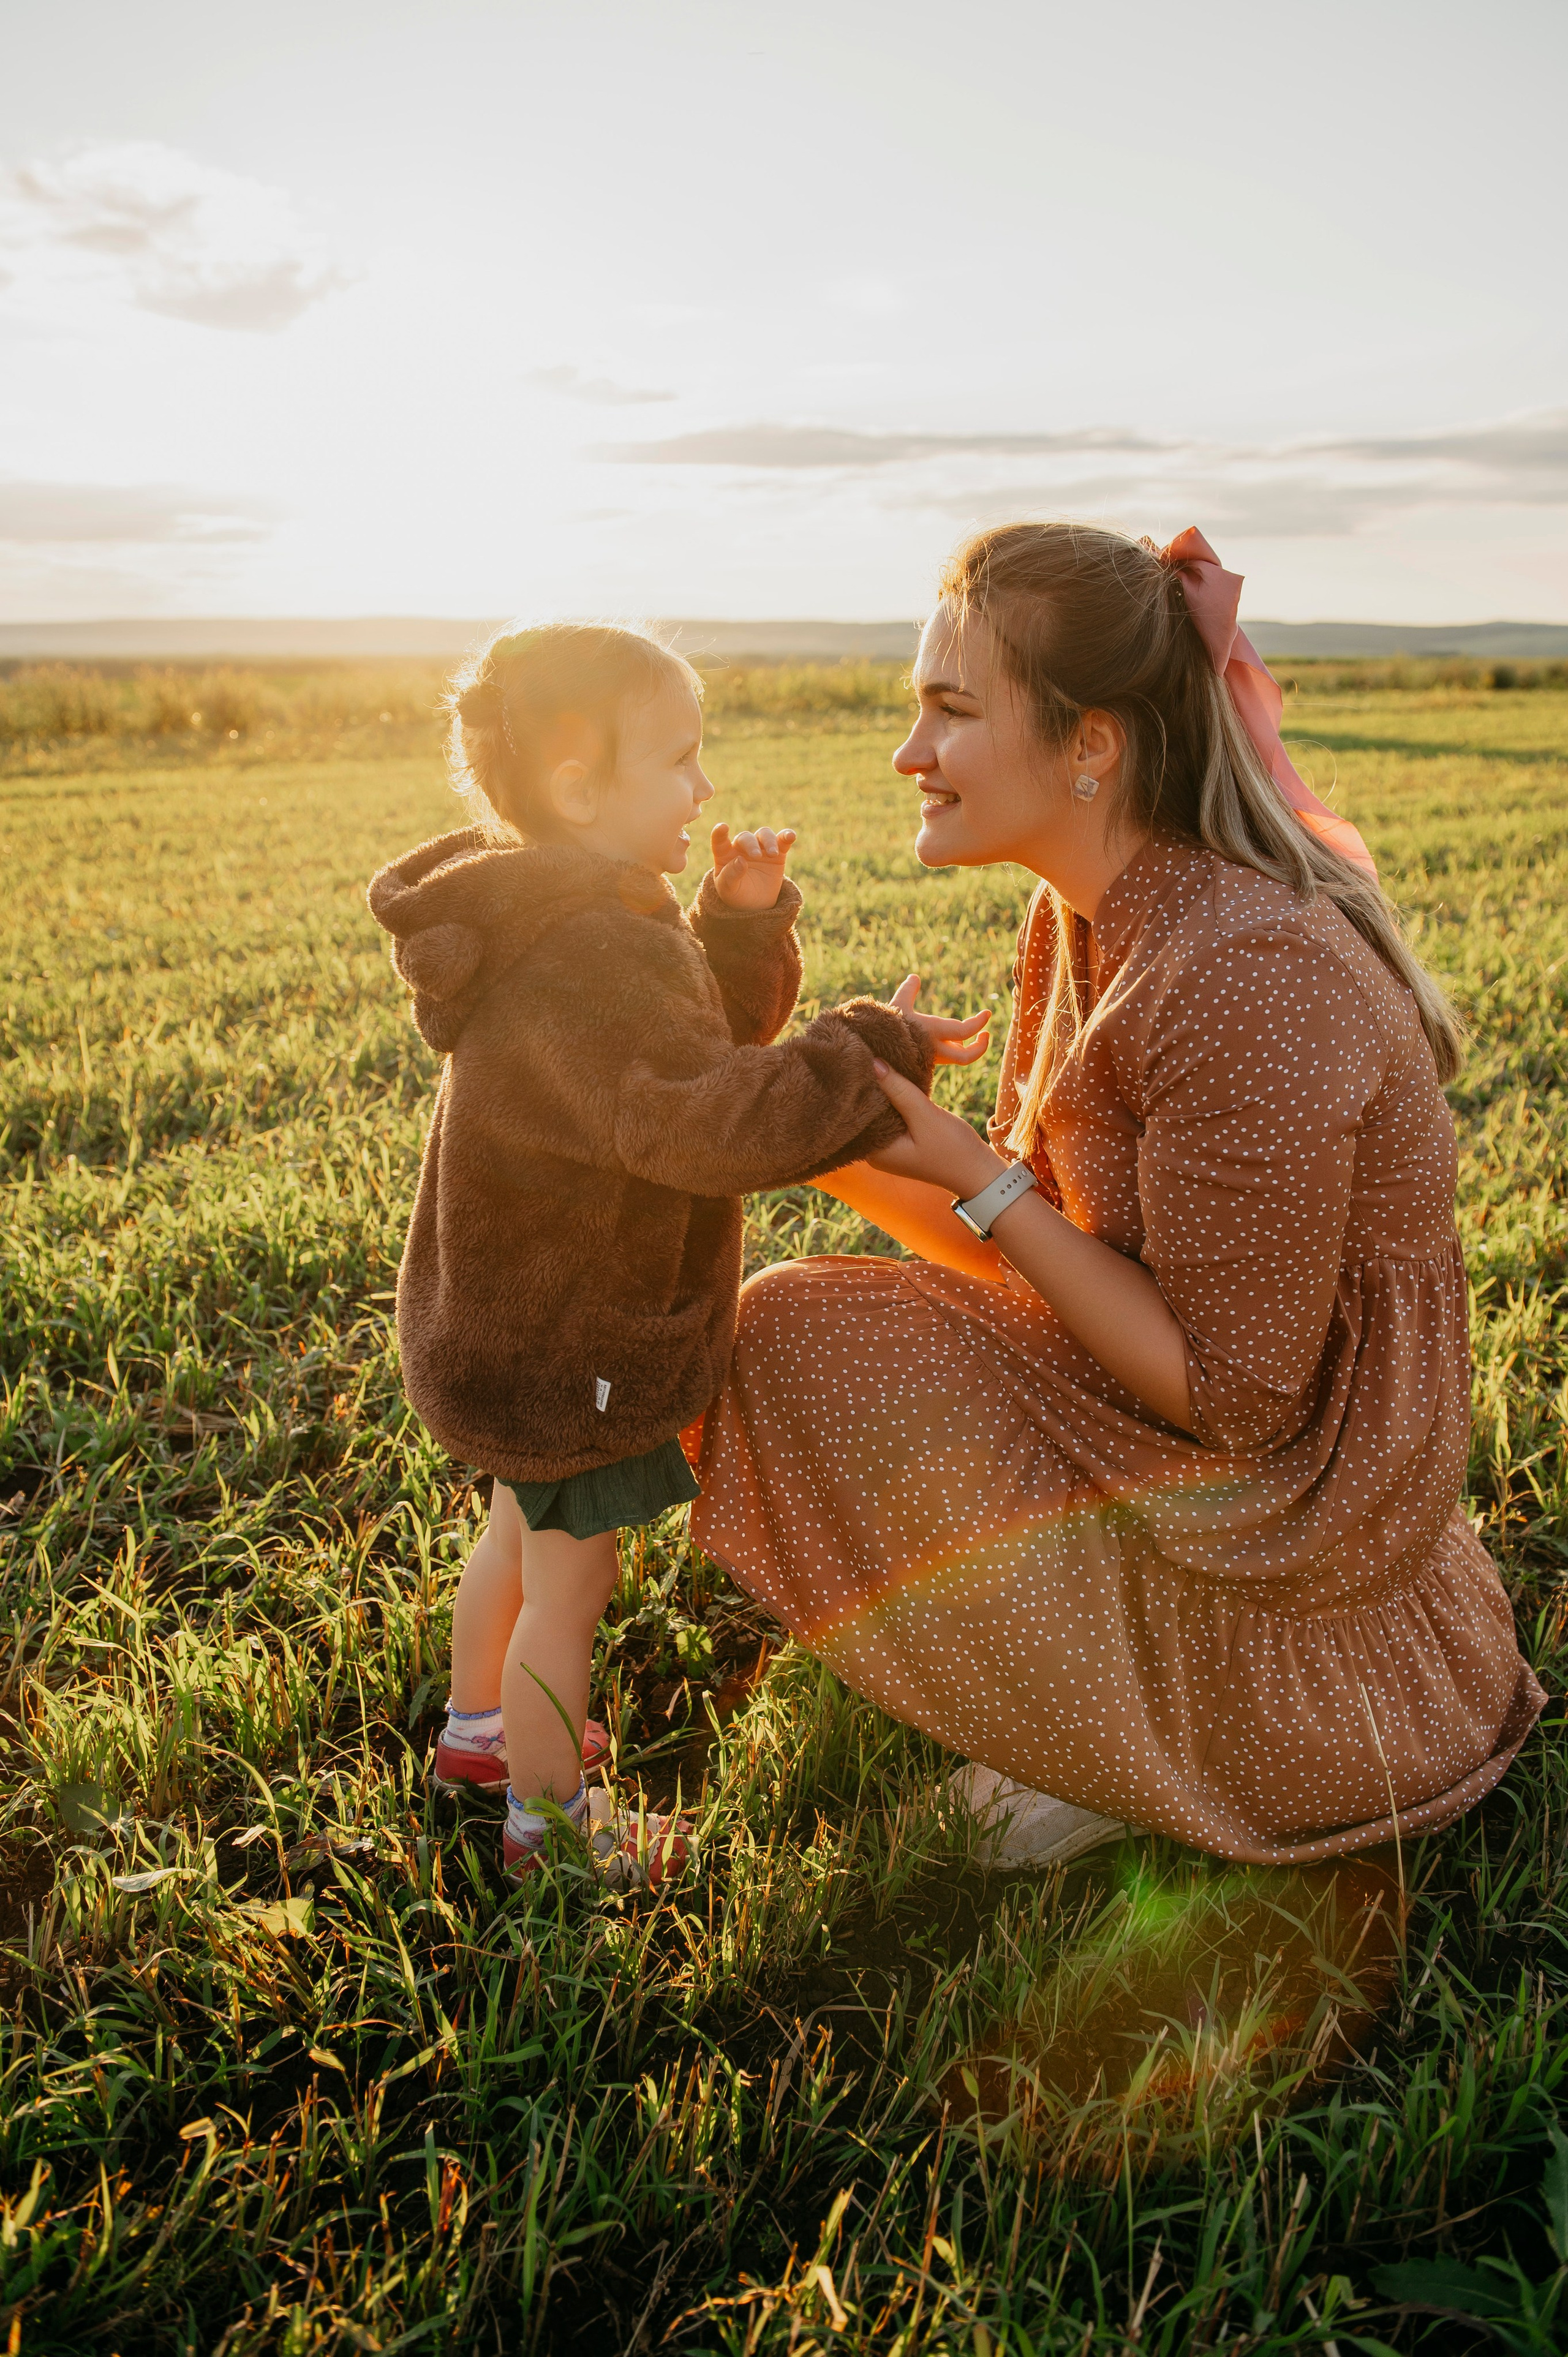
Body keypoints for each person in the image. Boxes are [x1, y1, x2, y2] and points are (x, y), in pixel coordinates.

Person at [689, 524, 1545, 1868]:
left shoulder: (1243, 973)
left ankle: (1157, 1739)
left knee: (808, 1338)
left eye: (949, 710)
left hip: (1294, 1549)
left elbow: (1235, 1397)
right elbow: (1051, 1262)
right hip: (1202, 1453)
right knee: (781, 1328)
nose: (908, 752)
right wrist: (815, 1123)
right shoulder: (1089, 915)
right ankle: (1104, 1698)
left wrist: (970, 1170)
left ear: (1091, 744)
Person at [367, 623, 987, 1879]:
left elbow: (667, 1053)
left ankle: (475, 1737)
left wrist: (737, 929)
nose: (704, 789)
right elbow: (705, 1118)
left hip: (499, 1330)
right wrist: (869, 1050)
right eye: (679, 760)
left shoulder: (550, 911)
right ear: (580, 782)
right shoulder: (591, 948)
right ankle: (547, 1832)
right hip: (569, 1345)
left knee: (513, 1536)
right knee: (570, 1587)